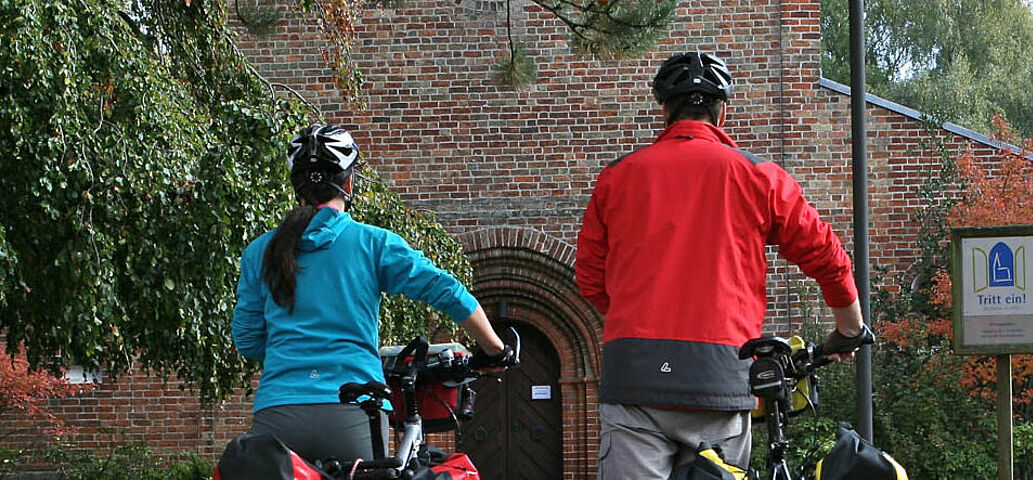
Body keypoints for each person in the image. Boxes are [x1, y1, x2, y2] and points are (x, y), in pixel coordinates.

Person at [575, 52, 870, 479]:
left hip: (635, 377)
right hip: (719, 378)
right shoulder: (759, 177)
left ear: (664, 112)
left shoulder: (616, 178)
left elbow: (590, 279)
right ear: (722, 114)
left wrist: (636, 322)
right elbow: (825, 253)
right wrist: (849, 328)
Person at [232, 124, 512, 463]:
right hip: (354, 410)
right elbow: (446, 290)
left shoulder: (260, 251)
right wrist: (494, 349)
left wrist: (293, 354)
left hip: (278, 412)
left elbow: (248, 340)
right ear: (349, 183)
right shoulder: (374, 244)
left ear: (296, 186)